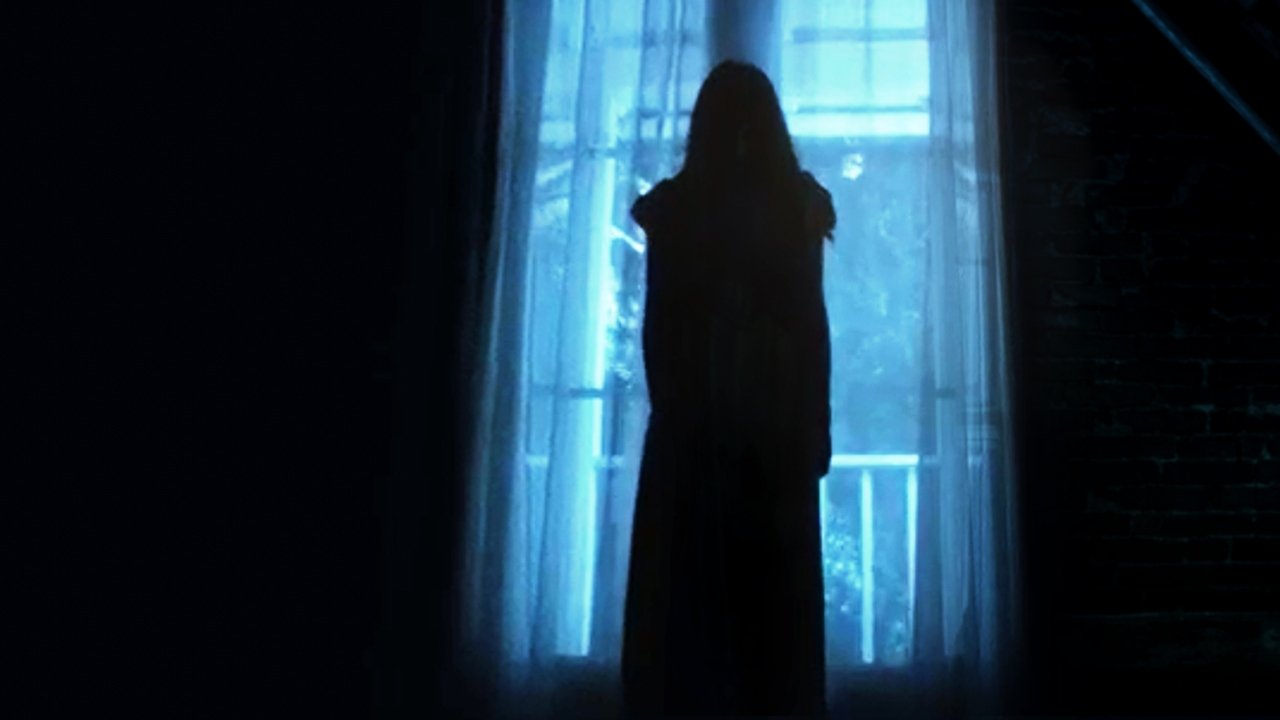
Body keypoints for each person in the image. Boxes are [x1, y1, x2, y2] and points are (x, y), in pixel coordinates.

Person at [621, 60, 835, 719]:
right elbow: (809, 327)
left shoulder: (685, 209)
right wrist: (813, 424)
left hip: (728, 440)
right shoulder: (785, 207)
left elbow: (662, 331)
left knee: (704, 631)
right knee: (759, 631)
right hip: (750, 438)